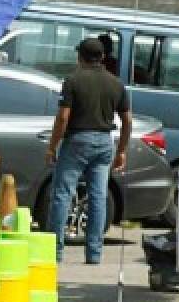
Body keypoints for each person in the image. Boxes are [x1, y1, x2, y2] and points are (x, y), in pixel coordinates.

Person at [46, 37, 133, 264]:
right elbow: (127, 121)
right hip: (105, 142)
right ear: (102, 57)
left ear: (80, 57)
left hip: (77, 140)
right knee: (98, 197)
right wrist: (122, 150)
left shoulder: (73, 80)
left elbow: (63, 117)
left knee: (63, 194)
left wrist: (53, 145)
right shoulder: (116, 84)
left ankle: (55, 250)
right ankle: (94, 253)